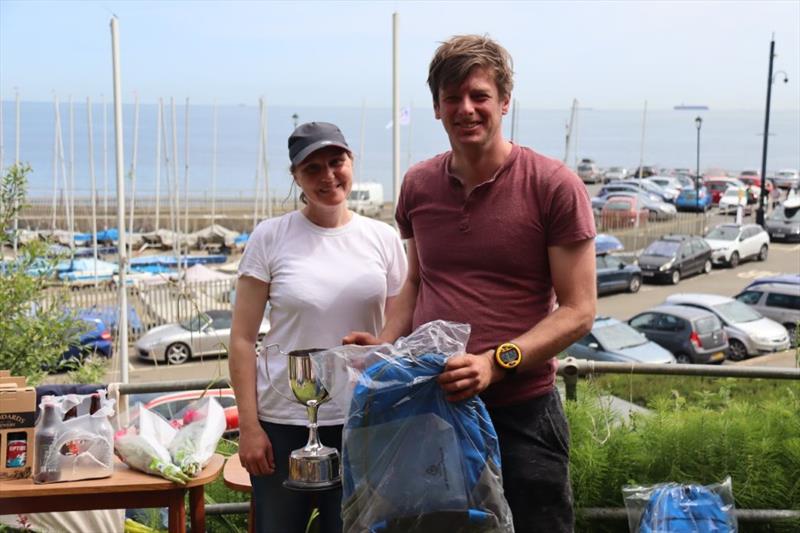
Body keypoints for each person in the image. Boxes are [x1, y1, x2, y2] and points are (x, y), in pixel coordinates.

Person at [345, 35, 597, 533]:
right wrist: (385, 342)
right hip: (428, 409)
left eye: (479, 96)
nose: (466, 109)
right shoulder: (417, 185)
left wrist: (496, 363)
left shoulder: (552, 185)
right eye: (452, 97)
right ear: (437, 107)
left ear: (504, 102)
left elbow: (579, 310)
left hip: (522, 411)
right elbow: (417, 281)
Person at [229, 122, 407, 533]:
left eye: (336, 162)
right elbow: (241, 340)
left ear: (351, 161)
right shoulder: (270, 237)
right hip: (282, 422)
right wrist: (250, 427)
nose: (328, 176)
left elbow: (399, 326)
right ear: (296, 178)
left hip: (362, 419)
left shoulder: (381, 237)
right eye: (312, 169)